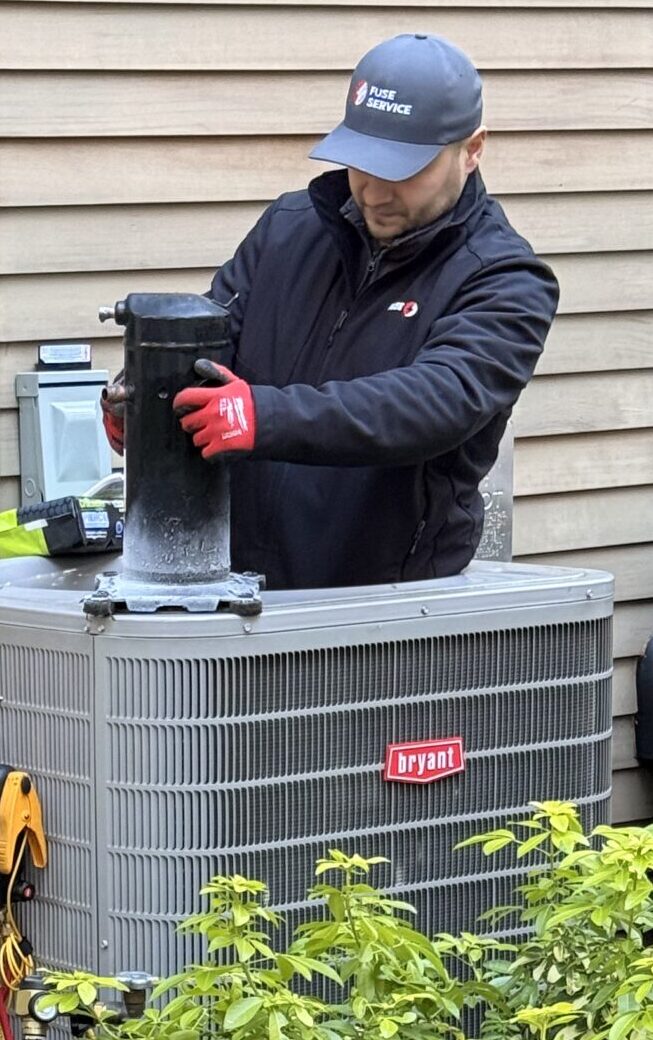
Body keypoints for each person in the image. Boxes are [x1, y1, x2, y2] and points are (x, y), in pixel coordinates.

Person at [103, 33, 559, 591]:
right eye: (362, 161)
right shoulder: (290, 228)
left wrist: (261, 418)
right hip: (236, 587)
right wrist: (145, 401)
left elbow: (434, 402)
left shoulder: (504, 277)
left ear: (472, 149)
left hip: (387, 604)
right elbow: (210, 352)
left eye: (403, 169)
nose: (372, 191)